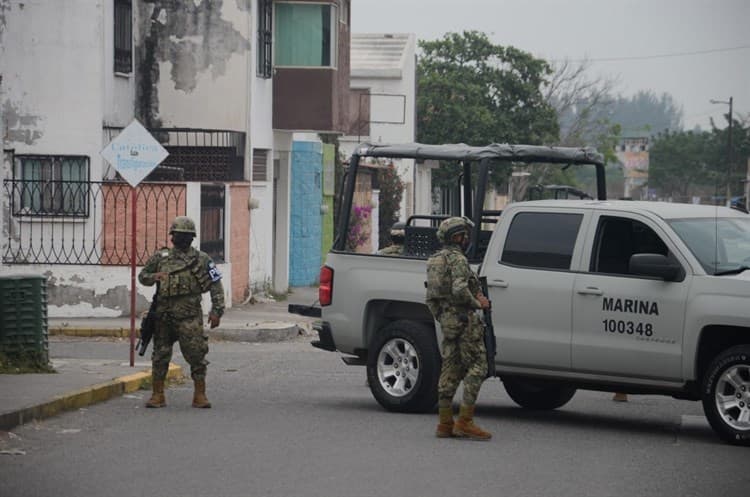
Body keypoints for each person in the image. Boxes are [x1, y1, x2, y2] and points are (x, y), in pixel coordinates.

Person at [138, 216, 225, 409]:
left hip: (189, 317)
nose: (182, 239)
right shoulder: (161, 258)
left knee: (197, 355)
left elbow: (216, 284)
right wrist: (155, 276)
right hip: (163, 316)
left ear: (192, 238)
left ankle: (200, 394)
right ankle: (157, 394)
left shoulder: (202, 259)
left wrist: (217, 311)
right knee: (160, 355)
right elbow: (142, 276)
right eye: (179, 235)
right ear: (172, 236)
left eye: (186, 236)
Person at [426, 217, 492, 440]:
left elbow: (431, 299)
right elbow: (460, 289)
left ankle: (445, 424)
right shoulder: (459, 261)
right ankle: (465, 421)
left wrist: (445, 318)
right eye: (464, 235)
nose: (466, 239)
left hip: (449, 324)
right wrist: (478, 303)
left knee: (450, 370)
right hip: (465, 322)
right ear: (457, 237)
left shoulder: (435, 261)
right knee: (479, 367)